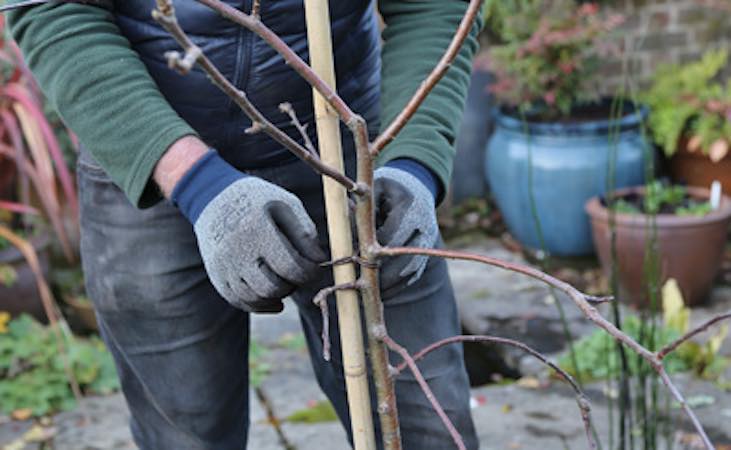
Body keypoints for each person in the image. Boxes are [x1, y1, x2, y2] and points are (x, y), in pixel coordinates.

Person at [7, 1, 481, 448]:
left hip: (350, 156)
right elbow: (54, 10)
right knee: (185, 434)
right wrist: (195, 182)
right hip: (147, 153)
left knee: (426, 426)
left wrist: (413, 159)